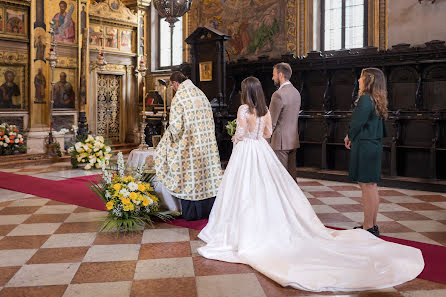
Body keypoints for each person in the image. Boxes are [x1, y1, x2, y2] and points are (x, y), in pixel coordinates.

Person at [197, 76, 424, 292]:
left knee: (240, 191)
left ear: (245, 92)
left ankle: (239, 228)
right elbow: (267, 133)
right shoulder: (264, 110)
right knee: (266, 190)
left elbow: (239, 134)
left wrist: (236, 138)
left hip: (245, 151)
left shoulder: (243, 109)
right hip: (261, 150)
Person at [154, 71, 223, 220]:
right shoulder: (200, 93)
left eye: (172, 86)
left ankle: (192, 213)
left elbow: (176, 128)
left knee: (189, 177)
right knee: (205, 178)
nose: (173, 89)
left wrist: (165, 141)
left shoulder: (180, 96)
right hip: (206, 146)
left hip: (189, 146)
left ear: (175, 83)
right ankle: (207, 211)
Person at [344, 68, 388, 237]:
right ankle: (372, 225)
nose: (359, 80)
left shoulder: (365, 99)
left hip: (364, 146)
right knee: (371, 186)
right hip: (374, 145)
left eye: (361, 78)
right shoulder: (377, 99)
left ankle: (368, 227)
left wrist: (349, 135)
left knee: (366, 186)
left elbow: (357, 123)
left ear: (369, 80)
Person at [269, 62, 301, 180]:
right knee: (291, 177)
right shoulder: (296, 92)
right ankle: (294, 198)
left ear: (281, 75)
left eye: (274, 75)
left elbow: (271, 122)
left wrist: (265, 141)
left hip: (280, 142)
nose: (273, 78)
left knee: (280, 178)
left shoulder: (278, 95)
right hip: (293, 140)